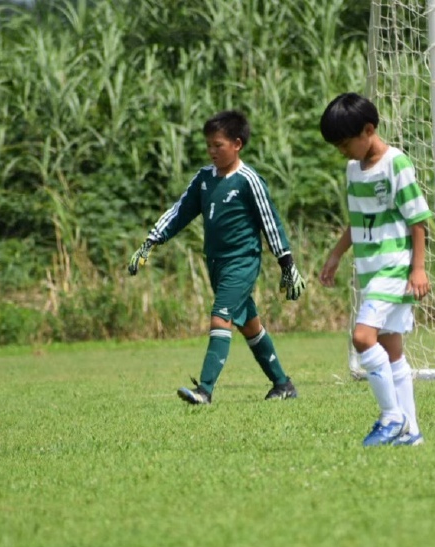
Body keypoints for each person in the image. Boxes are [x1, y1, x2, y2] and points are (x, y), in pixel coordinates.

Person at [128, 109, 305, 405]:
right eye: (208, 145)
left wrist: (286, 263)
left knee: (220, 317)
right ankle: (283, 384)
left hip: (242, 262)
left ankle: (205, 390)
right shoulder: (204, 178)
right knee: (249, 325)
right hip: (215, 263)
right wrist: (150, 241)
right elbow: (179, 211)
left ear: (237, 144)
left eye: (218, 145)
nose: (212, 151)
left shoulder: (248, 180)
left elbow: (270, 222)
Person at [319, 93, 431, 447]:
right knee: (391, 350)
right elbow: (358, 220)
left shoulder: (396, 164)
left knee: (362, 337)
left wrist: (418, 268)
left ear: (368, 130)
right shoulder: (354, 169)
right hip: (371, 271)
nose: (343, 152)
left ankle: (391, 416)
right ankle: (411, 432)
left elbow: (418, 220)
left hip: (394, 269)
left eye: (345, 144)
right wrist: (336, 255)